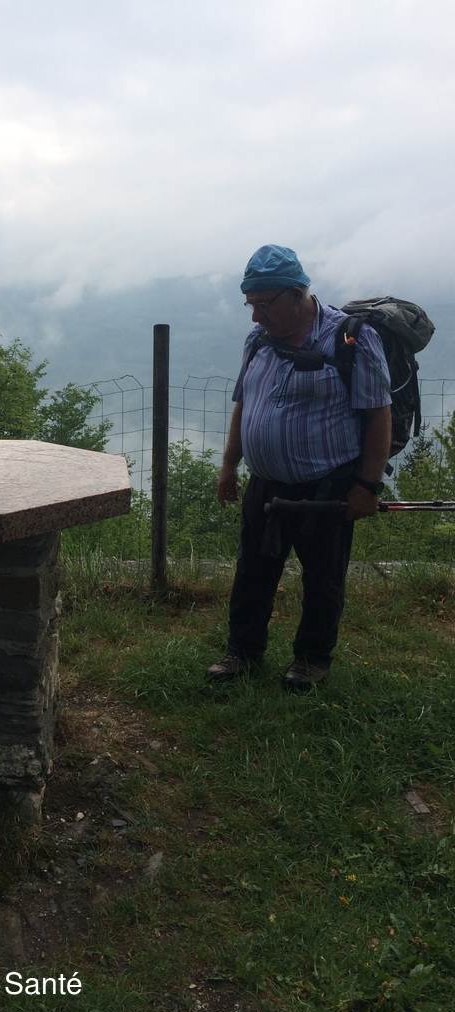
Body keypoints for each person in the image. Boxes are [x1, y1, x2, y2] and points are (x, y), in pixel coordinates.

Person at [206, 244, 392, 691]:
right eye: (250, 305)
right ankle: (242, 652)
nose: (255, 316)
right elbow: (244, 402)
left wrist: (367, 486)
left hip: (326, 485)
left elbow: (378, 415)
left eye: (263, 305)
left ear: (296, 294)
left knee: (323, 577)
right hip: (264, 484)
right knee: (252, 571)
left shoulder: (351, 339)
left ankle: (311, 660)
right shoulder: (259, 341)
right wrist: (230, 464)